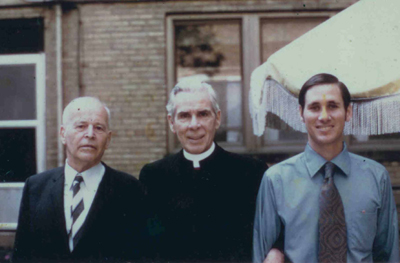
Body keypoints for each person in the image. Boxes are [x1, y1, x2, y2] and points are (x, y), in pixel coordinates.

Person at [253, 73, 400, 263]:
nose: (324, 116)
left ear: (348, 112)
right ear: (301, 113)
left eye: (332, 106)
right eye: (314, 107)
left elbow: (388, 254)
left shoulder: (376, 177)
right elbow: (261, 254)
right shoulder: (276, 179)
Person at [139, 79, 282, 262]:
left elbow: (277, 230)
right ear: (171, 123)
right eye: (184, 116)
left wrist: (276, 252)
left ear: (217, 118)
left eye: (203, 114)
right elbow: (145, 245)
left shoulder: (251, 172)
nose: (194, 125)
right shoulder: (154, 176)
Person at [13, 97, 146, 262]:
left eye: (98, 127)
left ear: (108, 139)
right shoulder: (35, 187)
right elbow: (22, 256)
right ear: (63, 134)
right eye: (81, 126)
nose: (90, 134)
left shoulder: (130, 190)